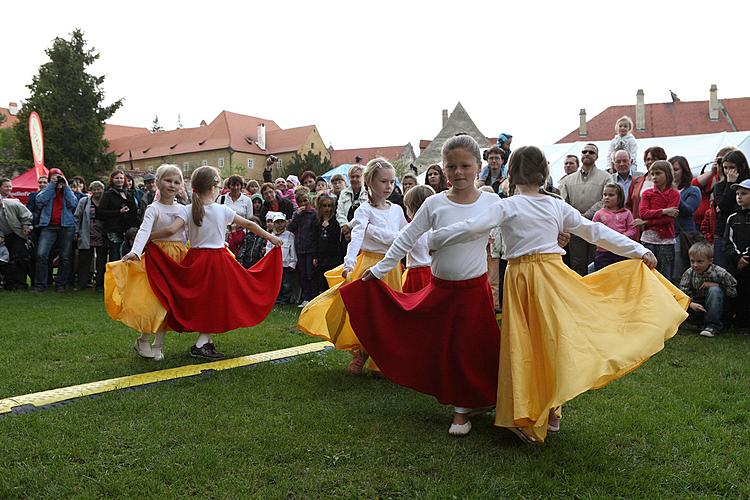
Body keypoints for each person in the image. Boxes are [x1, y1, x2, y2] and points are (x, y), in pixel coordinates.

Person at [422, 145, 688, 443]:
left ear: (511, 174)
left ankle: (529, 413)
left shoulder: (508, 206)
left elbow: (471, 227)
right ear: (545, 174)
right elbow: (595, 231)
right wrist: (637, 249)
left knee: (525, 344)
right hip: (552, 275)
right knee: (553, 341)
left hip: (523, 278)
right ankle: (551, 411)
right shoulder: (555, 205)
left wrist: (434, 237)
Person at [340, 136, 502, 436]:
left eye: (465, 165)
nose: (458, 172)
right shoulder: (434, 203)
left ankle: (462, 410)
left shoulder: (492, 201)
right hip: (441, 289)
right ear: (442, 168)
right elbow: (407, 237)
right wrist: (379, 269)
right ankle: (466, 402)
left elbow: (514, 227)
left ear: (478, 167)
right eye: (451, 166)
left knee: (472, 348)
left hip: (474, 290)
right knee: (446, 347)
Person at [141, 166, 283, 359]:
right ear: (214, 187)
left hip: (195, 260)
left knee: (205, 302)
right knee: (219, 301)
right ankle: (201, 343)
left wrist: (149, 238)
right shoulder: (222, 210)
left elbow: (169, 230)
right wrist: (271, 238)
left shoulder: (187, 210)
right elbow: (250, 224)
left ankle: (204, 340)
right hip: (217, 261)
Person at [298, 158, 407, 376]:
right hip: (368, 266)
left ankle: (381, 359)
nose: (389, 186)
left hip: (392, 266)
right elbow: (356, 238)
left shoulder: (396, 210)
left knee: (388, 314)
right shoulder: (364, 211)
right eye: (383, 181)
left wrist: (388, 238)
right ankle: (362, 352)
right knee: (368, 312)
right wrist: (349, 263)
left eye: (392, 182)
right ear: (370, 182)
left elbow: (405, 236)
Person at [103, 165, 189, 359]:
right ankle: (143, 339)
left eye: (177, 182)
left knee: (170, 304)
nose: (172, 185)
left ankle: (158, 344)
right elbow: (144, 231)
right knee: (155, 302)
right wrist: (135, 251)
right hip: (158, 258)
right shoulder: (154, 208)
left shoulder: (183, 209)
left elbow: (189, 232)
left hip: (177, 259)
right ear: (158, 182)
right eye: (168, 180)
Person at [558, 144, 610, 275]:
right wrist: (576, 216)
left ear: (596, 156)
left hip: (596, 225)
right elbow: (563, 202)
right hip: (576, 227)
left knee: (596, 263)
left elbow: (606, 200)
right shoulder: (567, 180)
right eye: (584, 151)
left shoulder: (606, 177)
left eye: (591, 152)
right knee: (577, 264)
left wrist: (586, 215)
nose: (587, 154)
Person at [32, 168, 79, 292]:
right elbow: (39, 201)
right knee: (41, 254)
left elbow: (73, 204)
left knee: (65, 256)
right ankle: (40, 285)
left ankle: (61, 284)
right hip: (49, 226)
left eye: (59, 176)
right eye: (53, 177)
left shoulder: (67, 191)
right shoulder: (48, 190)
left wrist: (66, 187)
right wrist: (51, 186)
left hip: (66, 226)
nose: (57, 179)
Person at [679, 242, 737, 338]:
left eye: (700, 261)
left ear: (710, 261)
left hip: (719, 306)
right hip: (697, 304)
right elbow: (682, 292)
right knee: (676, 299)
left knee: (714, 291)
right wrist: (691, 304)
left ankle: (712, 326)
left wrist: (717, 285)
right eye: (692, 261)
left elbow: (733, 292)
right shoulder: (689, 273)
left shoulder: (721, 273)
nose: (695, 265)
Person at [637, 160, 680, 281]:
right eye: (652, 174)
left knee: (665, 276)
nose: (654, 177)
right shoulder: (647, 193)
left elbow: (669, 219)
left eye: (658, 173)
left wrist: (647, 222)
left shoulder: (674, 194)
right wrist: (664, 211)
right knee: (648, 275)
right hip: (648, 239)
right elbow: (643, 213)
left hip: (666, 241)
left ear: (667, 174)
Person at [713, 150, 750, 269]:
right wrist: (730, 184)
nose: (728, 171)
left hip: (745, 229)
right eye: (725, 167)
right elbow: (724, 206)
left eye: (732, 167)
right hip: (724, 231)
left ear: (742, 166)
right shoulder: (720, 186)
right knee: (723, 270)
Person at [669, 156, 702, 281]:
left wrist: (675, 194)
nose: (673, 173)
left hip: (682, 237)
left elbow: (688, 210)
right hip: (666, 236)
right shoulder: (663, 191)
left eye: (676, 169)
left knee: (679, 272)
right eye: (670, 170)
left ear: (684, 171)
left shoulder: (693, 190)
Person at [723, 178, 750, 329]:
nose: (739, 196)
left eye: (744, 193)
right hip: (735, 264)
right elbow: (727, 242)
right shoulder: (732, 218)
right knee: (733, 291)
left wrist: (746, 257)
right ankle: (731, 321)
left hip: (747, 263)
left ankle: (745, 323)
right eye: (738, 193)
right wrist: (737, 257)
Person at [592, 183, 637, 270]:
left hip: (622, 251)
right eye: (605, 195)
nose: (607, 197)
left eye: (611, 195)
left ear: (619, 197)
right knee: (604, 275)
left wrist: (622, 237)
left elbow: (632, 229)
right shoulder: (599, 214)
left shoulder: (627, 213)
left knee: (621, 275)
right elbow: (593, 230)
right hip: (603, 252)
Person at [74, 181, 108, 291]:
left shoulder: (106, 201)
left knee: (101, 261)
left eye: (99, 189)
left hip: (102, 234)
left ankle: (99, 285)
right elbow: (77, 217)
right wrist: (76, 231)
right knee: (84, 260)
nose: (97, 191)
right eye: (94, 189)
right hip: (87, 233)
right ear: (91, 190)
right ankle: (82, 284)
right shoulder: (84, 201)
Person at [99, 170, 139, 262]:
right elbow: (101, 213)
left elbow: (134, 211)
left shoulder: (128, 193)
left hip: (127, 229)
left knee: (127, 254)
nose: (119, 180)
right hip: (114, 230)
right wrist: (118, 212)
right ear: (112, 180)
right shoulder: (107, 194)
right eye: (117, 178)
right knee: (116, 254)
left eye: (121, 178)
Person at [401, 185, 435, 293]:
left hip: (416, 275)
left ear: (412, 208)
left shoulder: (410, 229)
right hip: (436, 273)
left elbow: (398, 246)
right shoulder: (437, 227)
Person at [0, 179, 33, 291]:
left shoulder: (12, 202)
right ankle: (9, 283)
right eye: (6, 186)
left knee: (19, 259)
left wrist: (26, 225)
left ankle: (21, 283)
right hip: (3, 235)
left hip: (16, 234)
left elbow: (27, 215)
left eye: (10, 186)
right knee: (5, 261)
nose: (9, 189)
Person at [626, 146, 668, 233]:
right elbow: (629, 205)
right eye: (647, 159)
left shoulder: (669, 182)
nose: (650, 162)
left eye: (654, 159)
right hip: (638, 229)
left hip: (661, 229)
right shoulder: (637, 181)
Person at [288, 186, 316, 306]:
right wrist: (297, 216)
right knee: (303, 274)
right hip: (300, 248)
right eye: (300, 202)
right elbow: (290, 228)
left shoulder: (314, 214)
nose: (303, 204)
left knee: (311, 274)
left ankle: (312, 296)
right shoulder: (296, 214)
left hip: (311, 248)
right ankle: (306, 297)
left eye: (305, 200)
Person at [312, 193, 344, 293]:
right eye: (324, 206)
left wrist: (328, 226)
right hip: (321, 255)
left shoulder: (336, 221)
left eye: (329, 206)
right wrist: (315, 256)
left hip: (333, 255)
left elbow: (336, 237)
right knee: (321, 279)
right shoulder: (317, 222)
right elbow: (315, 239)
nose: (327, 208)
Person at [267, 212, 297, 305]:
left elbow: (293, 249)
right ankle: (276, 298)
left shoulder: (290, 235)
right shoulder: (271, 235)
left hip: (286, 264)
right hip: (274, 264)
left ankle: (285, 299)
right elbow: (268, 250)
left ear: (285, 223)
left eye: (281, 222)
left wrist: (293, 263)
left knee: (286, 283)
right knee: (276, 282)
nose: (280, 224)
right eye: (277, 222)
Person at [335, 164, 368, 243]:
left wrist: (350, 226)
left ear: (363, 177)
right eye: (352, 177)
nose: (354, 179)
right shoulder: (344, 193)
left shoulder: (368, 193)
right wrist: (345, 228)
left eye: (357, 176)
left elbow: (366, 214)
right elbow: (340, 213)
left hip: (363, 233)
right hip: (346, 233)